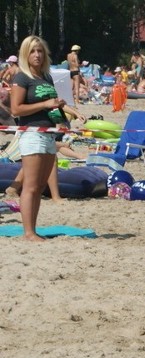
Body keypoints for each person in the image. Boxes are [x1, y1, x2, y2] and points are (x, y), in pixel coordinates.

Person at [10, 36, 80, 240]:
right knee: (30, 186)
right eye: (32, 51)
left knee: (40, 186)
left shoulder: (46, 77)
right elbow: (16, 109)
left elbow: (53, 104)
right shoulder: (21, 78)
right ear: (25, 54)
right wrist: (45, 105)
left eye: (40, 51)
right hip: (32, 134)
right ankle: (28, 233)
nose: (37, 55)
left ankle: (33, 230)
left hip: (49, 133)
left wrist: (68, 113)